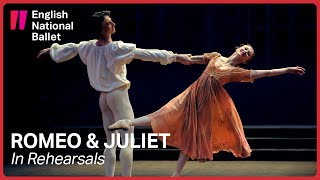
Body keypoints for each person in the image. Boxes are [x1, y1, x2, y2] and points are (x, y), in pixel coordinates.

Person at [108, 44, 306, 176]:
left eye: (248, 54)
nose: (245, 52)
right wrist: (178, 57)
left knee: (190, 138)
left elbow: (266, 73)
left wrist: (286, 70)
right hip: (190, 95)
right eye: (245, 48)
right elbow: (193, 59)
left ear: (246, 60)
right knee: (164, 113)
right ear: (238, 48)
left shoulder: (238, 71)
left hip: (206, 105)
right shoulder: (215, 56)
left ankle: (175, 175)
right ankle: (127, 122)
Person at [37, 10, 193, 176]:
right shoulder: (116, 48)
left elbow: (71, 48)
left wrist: (51, 50)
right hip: (118, 96)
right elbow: (146, 53)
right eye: (109, 23)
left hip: (103, 98)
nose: (113, 24)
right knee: (126, 141)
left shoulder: (88, 47)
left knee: (111, 142)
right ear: (103, 29)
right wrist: (176, 57)